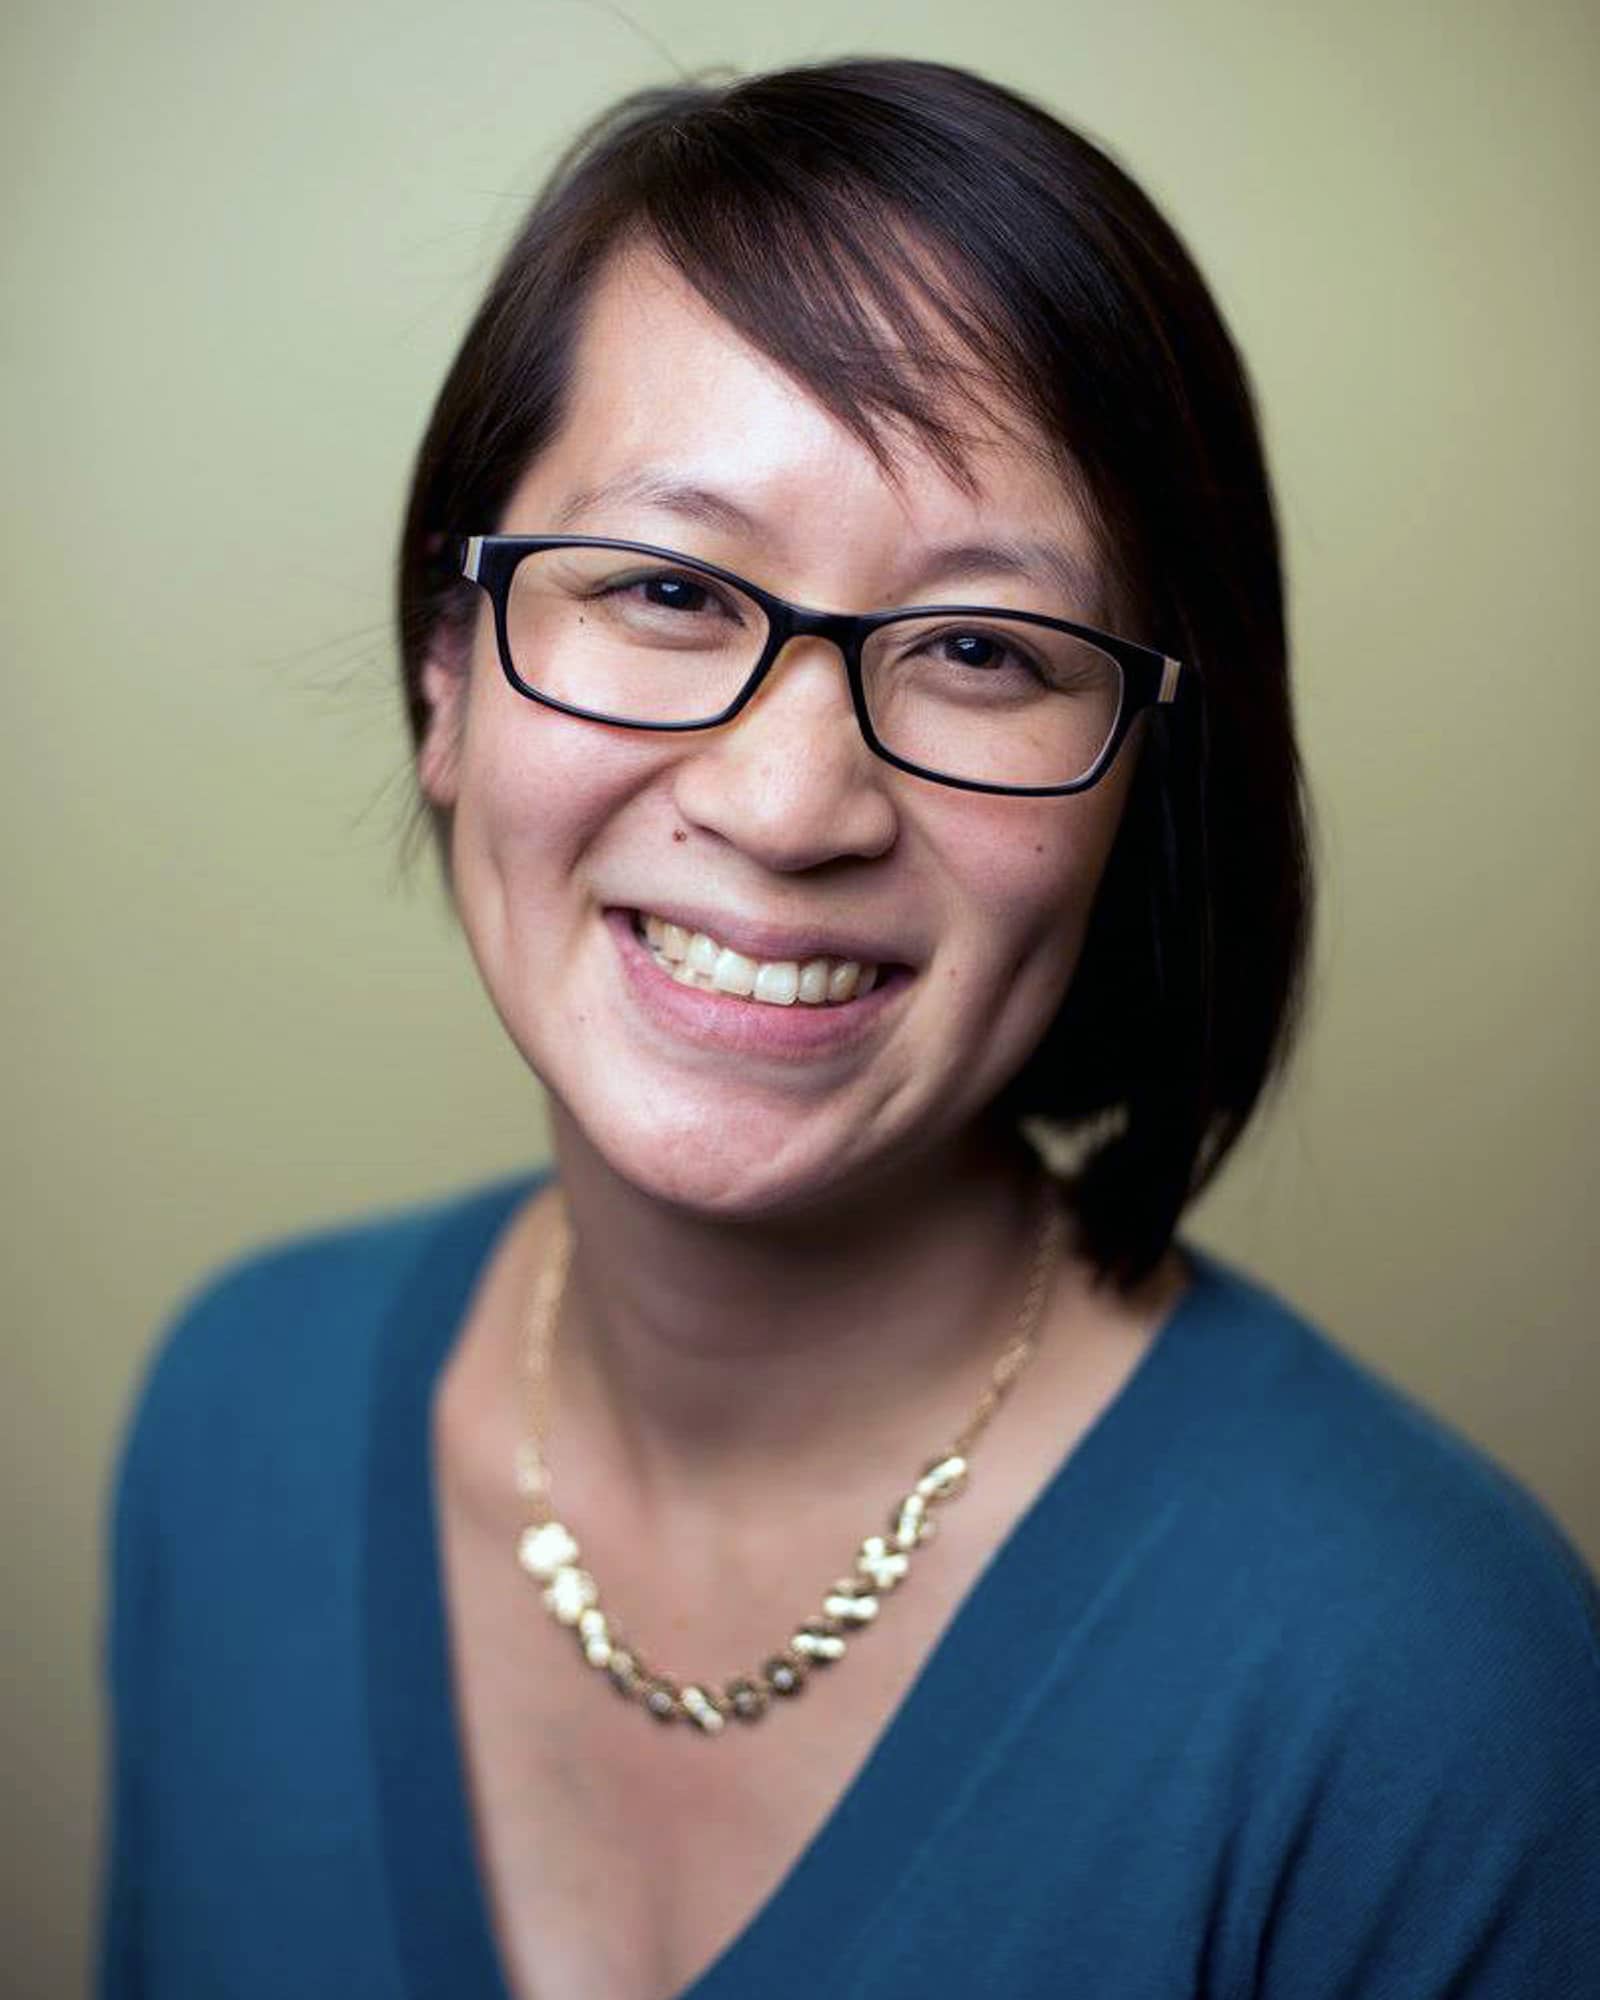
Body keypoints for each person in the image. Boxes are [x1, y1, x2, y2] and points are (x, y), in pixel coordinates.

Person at [98, 56, 1600, 2000]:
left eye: (981, 649)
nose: (788, 802)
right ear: (446, 671)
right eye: (658, 586)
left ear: (1143, 789)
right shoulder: (234, 1423)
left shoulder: (1427, 1690)